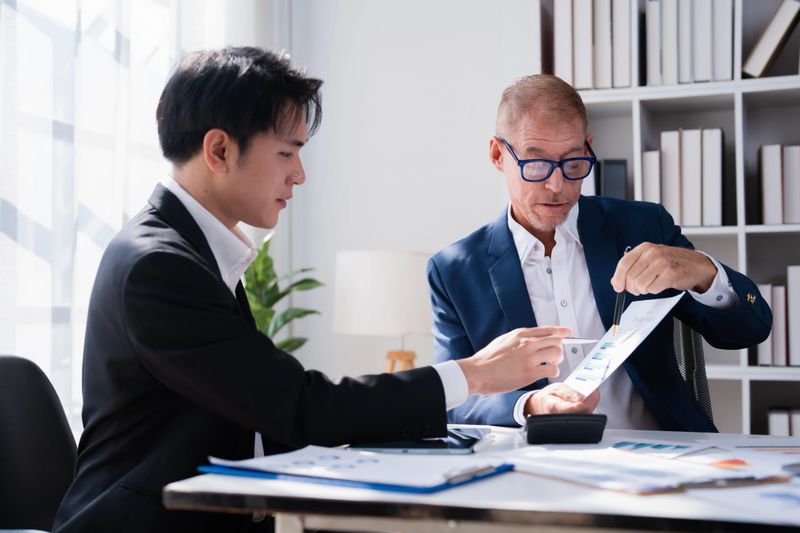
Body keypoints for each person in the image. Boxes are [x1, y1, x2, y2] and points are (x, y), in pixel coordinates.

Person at [53, 49, 571, 533]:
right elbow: (297, 408)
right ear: (218, 149)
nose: (299, 175)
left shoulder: (189, 251)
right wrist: (475, 374)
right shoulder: (159, 267)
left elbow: (264, 410)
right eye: (286, 152)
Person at [428, 74, 771, 432]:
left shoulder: (643, 226)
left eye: (574, 162)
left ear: (588, 146)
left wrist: (703, 272)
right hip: (536, 464)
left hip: (662, 456)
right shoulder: (453, 271)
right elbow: (456, 401)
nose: (557, 185)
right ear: (498, 155)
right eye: (537, 163)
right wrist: (527, 405)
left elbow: (751, 330)